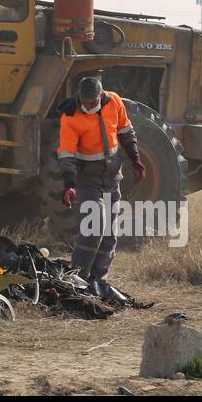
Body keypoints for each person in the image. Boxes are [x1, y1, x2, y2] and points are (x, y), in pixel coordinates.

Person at [56, 75, 146, 298]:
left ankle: (98, 281)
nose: (88, 106)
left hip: (112, 178)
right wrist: (69, 184)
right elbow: (66, 154)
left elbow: (126, 131)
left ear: (100, 95)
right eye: (84, 103)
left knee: (109, 235)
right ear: (79, 97)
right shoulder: (71, 116)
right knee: (94, 226)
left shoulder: (114, 101)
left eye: (92, 102)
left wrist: (135, 160)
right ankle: (77, 279)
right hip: (88, 180)